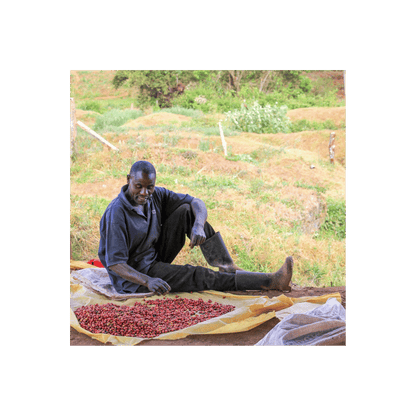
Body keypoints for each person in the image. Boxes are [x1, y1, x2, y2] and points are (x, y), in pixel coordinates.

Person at [98, 161, 293, 295]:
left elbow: (196, 202)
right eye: (138, 186)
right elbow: (116, 264)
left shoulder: (155, 195)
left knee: (185, 210)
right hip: (135, 276)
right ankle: (270, 281)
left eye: (149, 187)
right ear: (128, 180)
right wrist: (148, 281)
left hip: (154, 256)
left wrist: (198, 226)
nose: (144, 192)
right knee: (196, 275)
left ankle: (226, 265)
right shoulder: (117, 213)